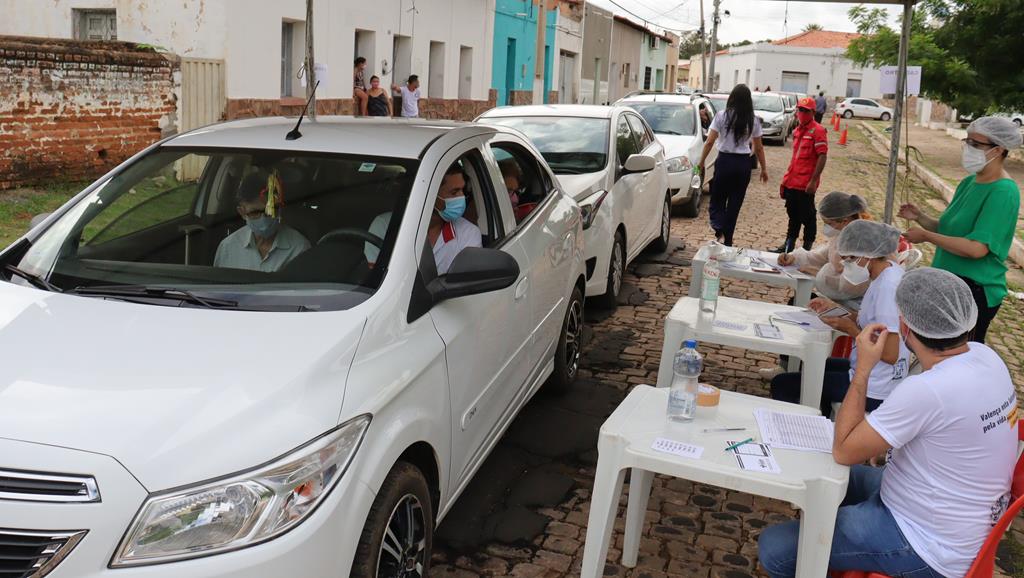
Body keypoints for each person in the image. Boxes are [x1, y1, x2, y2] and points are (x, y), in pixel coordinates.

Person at [758, 267, 1017, 578]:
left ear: (904, 325)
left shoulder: (927, 389)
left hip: (926, 544)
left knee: (774, 549)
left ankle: (823, 553)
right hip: (951, 517)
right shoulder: (985, 356)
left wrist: (863, 369)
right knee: (816, 474)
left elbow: (844, 450)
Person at [899, 116, 1022, 344]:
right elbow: (950, 231)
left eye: (976, 144)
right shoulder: (969, 183)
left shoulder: (1003, 192)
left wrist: (926, 236)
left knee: (955, 354)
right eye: (967, 141)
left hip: (973, 290)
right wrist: (920, 217)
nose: (968, 148)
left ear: (998, 150)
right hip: (947, 283)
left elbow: (976, 249)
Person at [770, 220, 910, 417]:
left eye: (851, 258)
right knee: (813, 365)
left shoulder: (888, 287)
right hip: (869, 369)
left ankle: (804, 428)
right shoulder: (885, 273)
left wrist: (850, 329)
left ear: (868, 255)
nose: (846, 264)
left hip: (876, 386)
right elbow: (872, 322)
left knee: (783, 384)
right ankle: (823, 415)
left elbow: (889, 354)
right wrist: (836, 309)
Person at [365, 162, 481, 274]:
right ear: (430, 194)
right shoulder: (384, 226)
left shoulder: (468, 233)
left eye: (462, 190)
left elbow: (467, 282)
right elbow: (375, 278)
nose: (462, 197)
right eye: (454, 192)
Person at [697, 84, 769, 246]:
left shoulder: (721, 116)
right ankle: (727, 239)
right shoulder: (753, 120)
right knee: (735, 203)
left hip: (725, 161)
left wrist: (701, 162)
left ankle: (719, 230)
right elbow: (759, 147)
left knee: (718, 199)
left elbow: (709, 142)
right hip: (743, 165)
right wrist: (764, 169)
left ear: (732, 98)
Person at [777, 191, 871, 303]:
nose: (826, 227)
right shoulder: (840, 236)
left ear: (845, 221)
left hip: (854, 304)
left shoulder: (861, 243)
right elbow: (819, 257)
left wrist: (818, 273)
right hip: (837, 300)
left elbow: (852, 286)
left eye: (829, 224)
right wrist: (793, 257)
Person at [214, 172, 310, 272]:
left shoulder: (299, 248)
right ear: (242, 212)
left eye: (270, 212)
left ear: (280, 209)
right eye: (255, 213)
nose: (263, 219)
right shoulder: (228, 248)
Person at [777, 96, 829, 253]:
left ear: (813, 112)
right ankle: (789, 245)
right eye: (800, 110)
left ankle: (806, 249)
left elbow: (822, 156)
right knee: (793, 214)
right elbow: (795, 159)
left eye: (806, 111)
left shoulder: (818, 131)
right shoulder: (797, 131)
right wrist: (785, 181)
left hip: (806, 184)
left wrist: (813, 181)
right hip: (792, 181)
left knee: (808, 217)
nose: (802, 113)